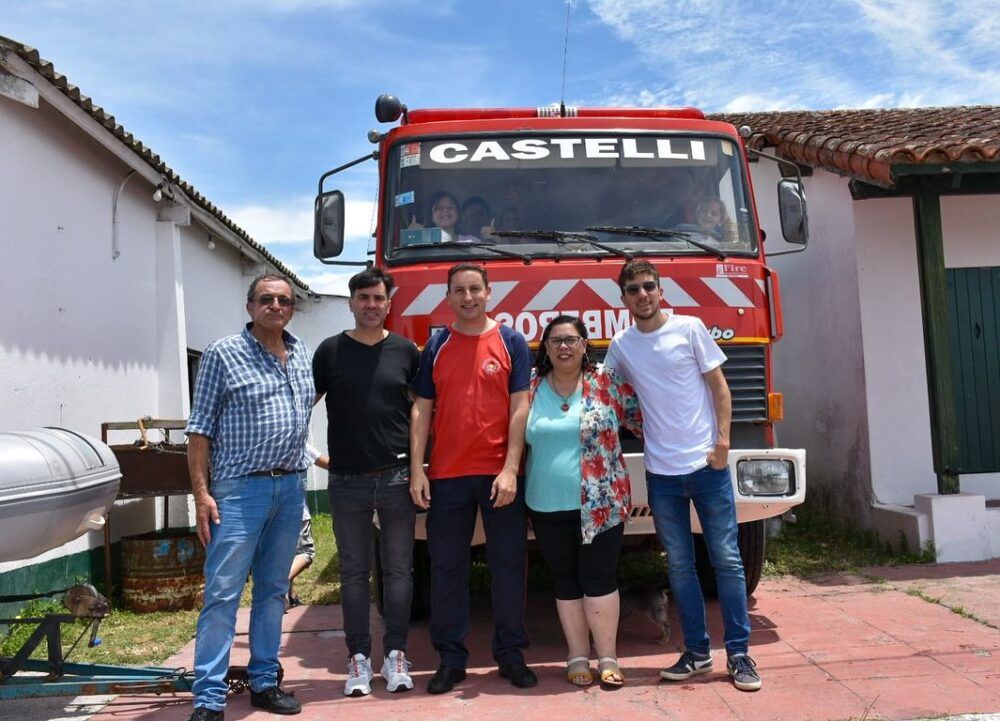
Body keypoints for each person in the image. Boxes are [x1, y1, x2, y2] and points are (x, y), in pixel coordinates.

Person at [604, 259, 761, 692]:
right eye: (633, 289)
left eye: (648, 287)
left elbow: (720, 388)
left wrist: (723, 444)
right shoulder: (621, 345)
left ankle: (740, 655)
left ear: (661, 291)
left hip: (706, 467)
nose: (642, 295)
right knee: (679, 567)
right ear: (623, 299)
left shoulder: (690, 329)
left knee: (727, 561)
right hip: (662, 474)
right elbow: (608, 393)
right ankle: (696, 654)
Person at [186, 273, 317, 720]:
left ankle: (264, 681)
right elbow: (199, 428)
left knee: (274, 590)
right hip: (238, 491)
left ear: (291, 308)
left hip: (290, 487)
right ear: (249, 306)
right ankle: (208, 698)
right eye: (266, 299)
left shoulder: (301, 355)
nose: (276, 306)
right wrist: (202, 494)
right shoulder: (223, 354)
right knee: (223, 593)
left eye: (283, 300)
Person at [409, 262, 535, 694]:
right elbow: (422, 409)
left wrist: (511, 469)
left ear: (489, 293)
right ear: (448, 296)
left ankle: (511, 655)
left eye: (474, 289)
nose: (467, 297)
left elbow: (521, 406)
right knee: (446, 569)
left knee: (508, 566)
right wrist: (417, 471)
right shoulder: (436, 345)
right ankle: (451, 659)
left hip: (498, 476)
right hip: (446, 476)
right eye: (459, 290)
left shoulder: (511, 341)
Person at [312, 267, 421, 696]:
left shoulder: (406, 351)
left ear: (388, 303)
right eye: (363, 298)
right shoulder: (330, 351)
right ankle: (357, 659)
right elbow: (299, 406)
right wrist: (316, 458)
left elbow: (420, 411)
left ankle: (396, 654)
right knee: (354, 574)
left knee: (398, 572)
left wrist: (416, 468)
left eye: (379, 298)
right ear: (351, 303)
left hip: (396, 478)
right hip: (346, 481)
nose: (371, 305)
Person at [525, 316, 642, 689]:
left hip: (601, 503)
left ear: (584, 345)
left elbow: (647, 419)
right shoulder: (528, 389)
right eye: (556, 340)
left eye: (572, 340)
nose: (564, 347)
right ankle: (577, 655)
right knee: (566, 580)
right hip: (545, 504)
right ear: (545, 348)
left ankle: (607, 656)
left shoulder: (607, 383)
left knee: (600, 578)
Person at [285, 503, 315, 609]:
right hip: (294, 509)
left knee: (281, 555)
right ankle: (280, 585)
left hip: (263, 512)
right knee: (305, 553)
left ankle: (289, 595)